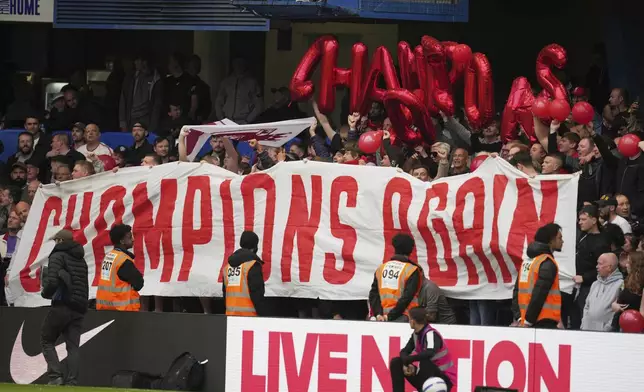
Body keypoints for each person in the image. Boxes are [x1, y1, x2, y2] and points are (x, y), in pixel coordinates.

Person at [40, 230, 88, 385]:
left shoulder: (57, 256)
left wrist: (45, 293)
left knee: (47, 340)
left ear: (60, 241)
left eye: (56, 241)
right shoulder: (82, 260)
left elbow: (52, 281)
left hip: (62, 305)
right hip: (79, 308)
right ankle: (72, 382)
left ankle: (55, 377)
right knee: (73, 347)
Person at [389, 306, 456, 392]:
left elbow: (430, 353)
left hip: (444, 378)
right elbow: (404, 351)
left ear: (413, 321)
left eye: (409, 319)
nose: (409, 321)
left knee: (425, 362)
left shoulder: (431, 333)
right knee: (396, 362)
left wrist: (410, 360)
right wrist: (406, 363)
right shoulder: (416, 334)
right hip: (429, 376)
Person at [513, 223, 563, 328]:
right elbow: (540, 293)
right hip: (543, 320)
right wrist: (528, 320)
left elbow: (517, 291)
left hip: (525, 320)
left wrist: (521, 318)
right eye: (559, 238)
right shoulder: (547, 263)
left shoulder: (527, 262)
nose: (562, 241)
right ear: (551, 240)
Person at [571, 205, 611, 329]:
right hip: (574, 283)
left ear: (594, 220)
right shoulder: (581, 236)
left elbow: (604, 268)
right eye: (579, 219)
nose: (580, 222)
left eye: (583, 219)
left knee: (583, 315)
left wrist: (584, 278)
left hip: (589, 286)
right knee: (573, 315)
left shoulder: (602, 242)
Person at [369, 233, 422, 322]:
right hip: (405, 317)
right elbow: (407, 297)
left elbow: (373, 294)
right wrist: (390, 317)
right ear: (411, 250)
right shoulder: (412, 270)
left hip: (382, 318)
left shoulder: (381, 268)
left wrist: (378, 314)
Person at [95, 224, 144, 311]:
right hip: (122, 310)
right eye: (129, 237)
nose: (133, 239)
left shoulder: (109, 256)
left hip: (104, 308)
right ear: (122, 241)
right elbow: (139, 283)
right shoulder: (124, 261)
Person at [222, 231, 266, 316]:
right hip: (249, 316)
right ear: (254, 247)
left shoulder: (227, 267)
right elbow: (257, 293)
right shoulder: (252, 265)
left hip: (230, 316)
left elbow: (225, 293)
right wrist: (262, 314)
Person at [581, 253, 623, 331]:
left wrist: (607, 329)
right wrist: (584, 324)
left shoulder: (620, 285)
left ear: (609, 267)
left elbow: (617, 312)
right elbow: (586, 306)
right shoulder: (595, 284)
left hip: (606, 334)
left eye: (600, 264)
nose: (596, 266)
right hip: (587, 331)